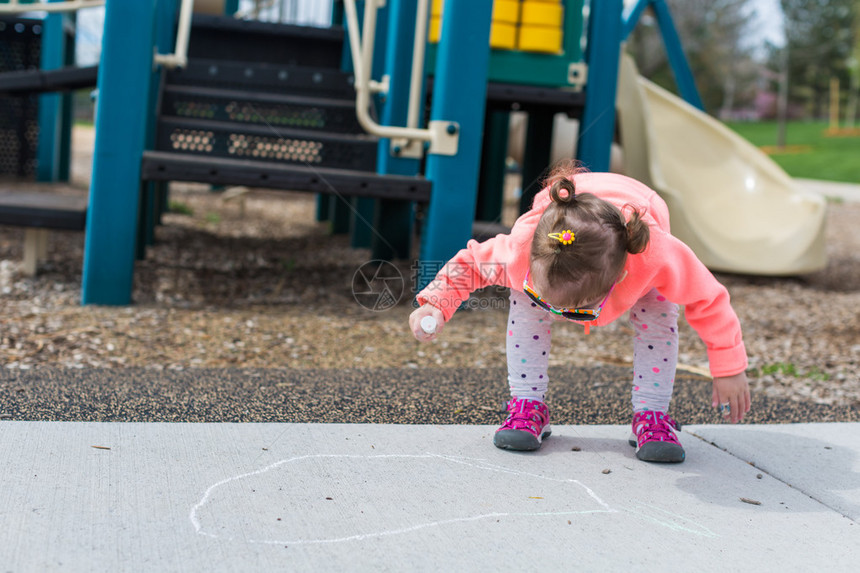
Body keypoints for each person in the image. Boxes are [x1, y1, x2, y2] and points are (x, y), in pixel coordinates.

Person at [409, 164, 751, 463]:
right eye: (555, 303)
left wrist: (728, 366)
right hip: (566, 222)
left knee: (658, 316)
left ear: (617, 281)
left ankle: (652, 414)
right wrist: (435, 304)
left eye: (579, 309)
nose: (562, 314)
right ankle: (527, 403)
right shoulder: (521, 249)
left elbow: (709, 299)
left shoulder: (656, 257)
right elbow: (469, 264)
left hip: (638, 221)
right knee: (526, 304)